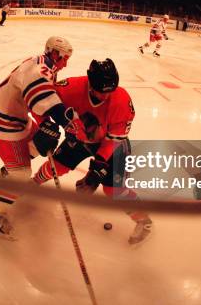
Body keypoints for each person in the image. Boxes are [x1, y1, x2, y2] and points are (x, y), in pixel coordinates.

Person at [32, 59, 153, 244]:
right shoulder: (70, 88)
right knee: (55, 167)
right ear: (89, 83)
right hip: (79, 138)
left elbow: (114, 139)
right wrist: (44, 125)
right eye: (100, 91)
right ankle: (32, 184)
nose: (105, 96)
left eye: (110, 91)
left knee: (114, 190)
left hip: (111, 143)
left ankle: (143, 220)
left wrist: (99, 164)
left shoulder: (121, 100)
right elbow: (39, 101)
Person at [0, 36, 86, 240]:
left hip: (14, 118)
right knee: (22, 174)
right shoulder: (40, 69)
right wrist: (69, 123)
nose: (66, 63)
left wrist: (47, 121)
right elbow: (42, 98)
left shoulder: (44, 64)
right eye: (64, 57)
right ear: (54, 53)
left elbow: (34, 98)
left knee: (40, 142)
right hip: (3, 124)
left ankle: (6, 173)